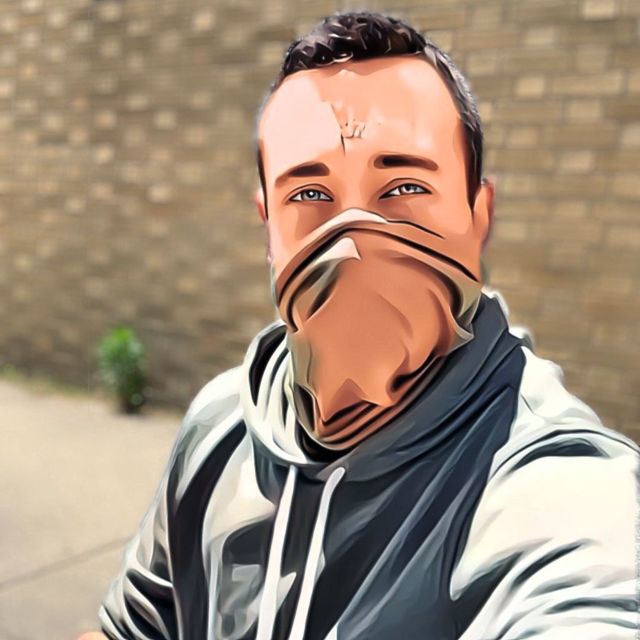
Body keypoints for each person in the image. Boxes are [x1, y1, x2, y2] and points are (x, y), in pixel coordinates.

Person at [81, 11, 639, 640]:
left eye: (403, 187)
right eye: (309, 195)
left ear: (478, 216)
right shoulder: (220, 426)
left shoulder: (552, 477)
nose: (352, 242)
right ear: (268, 228)